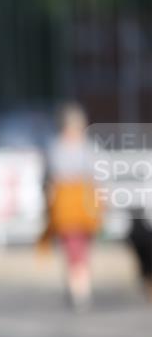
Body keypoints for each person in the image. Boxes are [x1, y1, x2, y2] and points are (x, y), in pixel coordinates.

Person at [37, 102, 103, 311]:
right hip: (72, 207)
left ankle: (79, 289)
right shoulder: (80, 148)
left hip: (75, 207)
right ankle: (81, 289)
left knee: (77, 250)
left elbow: (49, 180)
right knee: (76, 249)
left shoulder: (64, 148)